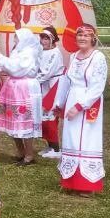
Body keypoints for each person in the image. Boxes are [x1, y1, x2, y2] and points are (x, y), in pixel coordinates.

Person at [52, 24, 107, 194]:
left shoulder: (98, 58)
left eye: (86, 35)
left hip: (89, 101)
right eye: (79, 35)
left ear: (93, 38)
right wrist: (58, 103)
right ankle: (71, 180)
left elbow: (98, 86)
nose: (82, 38)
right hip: (72, 99)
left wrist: (79, 106)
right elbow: (66, 81)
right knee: (71, 138)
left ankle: (87, 184)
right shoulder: (74, 56)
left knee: (87, 139)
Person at [0, 27, 43, 166]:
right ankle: (21, 152)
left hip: (24, 88)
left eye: (17, 37)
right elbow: (8, 67)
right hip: (13, 87)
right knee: (11, 119)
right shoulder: (18, 51)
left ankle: (29, 155)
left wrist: (1, 56)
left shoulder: (29, 52)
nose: (15, 39)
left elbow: (17, 69)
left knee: (24, 120)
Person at [36, 27, 65, 159]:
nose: (43, 40)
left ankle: (56, 147)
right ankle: (50, 145)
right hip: (44, 85)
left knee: (51, 114)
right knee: (42, 116)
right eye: (42, 37)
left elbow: (46, 72)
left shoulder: (55, 53)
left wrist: (32, 81)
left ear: (52, 39)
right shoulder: (41, 51)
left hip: (54, 85)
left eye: (46, 38)